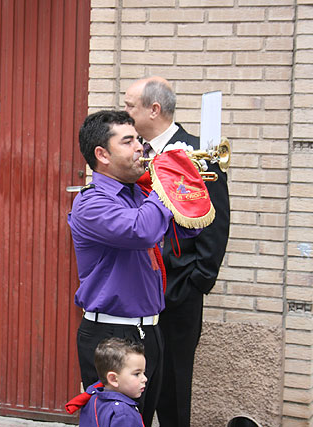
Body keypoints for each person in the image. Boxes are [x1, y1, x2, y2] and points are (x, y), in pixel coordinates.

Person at [68, 110, 199, 427]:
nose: (140, 147)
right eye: (127, 141)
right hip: (111, 334)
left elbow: (189, 228)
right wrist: (165, 183)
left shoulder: (140, 194)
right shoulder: (90, 203)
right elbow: (142, 231)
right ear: (102, 155)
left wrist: (188, 185)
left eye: (138, 139)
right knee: (117, 419)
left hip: (150, 330)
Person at [124, 77, 230, 427]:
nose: (124, 112)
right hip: (136, 292)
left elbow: (215, 225)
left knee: (172, 388)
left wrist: (195, 283)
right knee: (133, 386)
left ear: (153, 110)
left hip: (178, 292)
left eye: (129, 106)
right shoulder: (133, 151)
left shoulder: (199, 152)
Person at [79, 338, 147, 427]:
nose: (145, 379)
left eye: (144, 373)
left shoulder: (92, 399)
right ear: (113, 379)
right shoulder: (124, 414)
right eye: (137, 374)